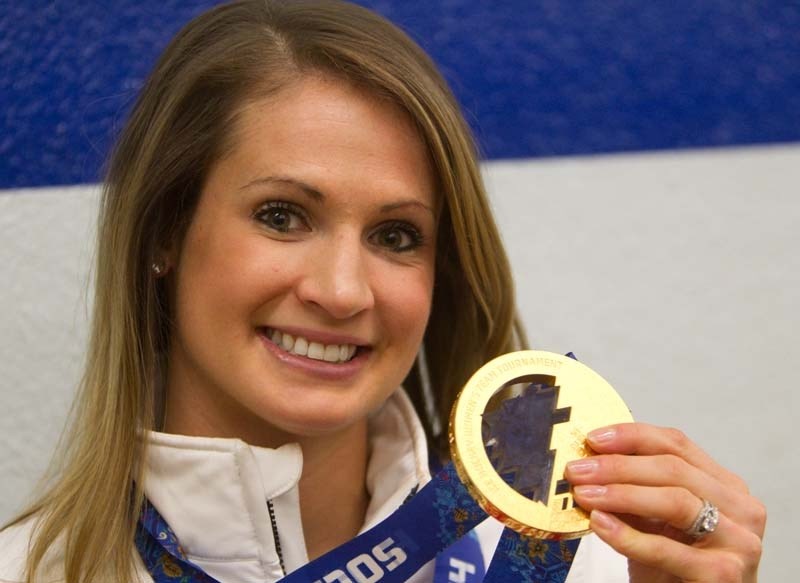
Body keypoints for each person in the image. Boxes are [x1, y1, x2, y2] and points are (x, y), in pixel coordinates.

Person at [0, 1, 765, 582]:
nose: (341, 291)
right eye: (282, 216)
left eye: (397, 235)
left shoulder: (583, 561)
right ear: (166, 231)